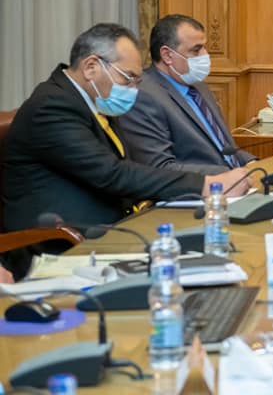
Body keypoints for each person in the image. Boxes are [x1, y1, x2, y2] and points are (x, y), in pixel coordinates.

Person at [1, 23, 251, 233]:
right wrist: (205, 185)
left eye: (136, 81)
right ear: (91, 67)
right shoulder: (52, 107)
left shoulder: (94, 100)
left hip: (113, 225)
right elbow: (112, 174)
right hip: (63, 240)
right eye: (127, 78)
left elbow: (126, 168)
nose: (132, 89)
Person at [116, 14, 255, 174]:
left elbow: (224, 148)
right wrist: (228, 175)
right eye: (196, 50)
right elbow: (160, 168)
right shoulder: (142, 96)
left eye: (204, 47)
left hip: (236, 179)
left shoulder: (197, 85)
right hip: (202, 186)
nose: (205, 55)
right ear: (167, 55)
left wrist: (251, 163)